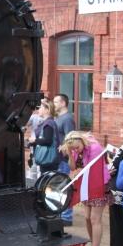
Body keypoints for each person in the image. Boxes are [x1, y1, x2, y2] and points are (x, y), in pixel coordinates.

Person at [60, 131, 111, 246]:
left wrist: (78, 170)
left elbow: (90, 169)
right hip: (86, 185)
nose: (76, 150)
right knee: (87, 217)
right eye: (73, 148)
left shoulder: (94, 148)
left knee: (95, 218)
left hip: (98, 183)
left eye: (77, 147)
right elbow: (72, 167)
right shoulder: (76, 149)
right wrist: (71, 153)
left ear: (81, 141)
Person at [52, 94, 76, 224]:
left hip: (64, 159)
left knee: (64, 186)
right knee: (58, 186)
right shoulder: (58, 118)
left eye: (56, 102)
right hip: (58, 158)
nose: (54, 105)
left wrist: (65, 146)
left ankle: (67, 217)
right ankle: (61, 214)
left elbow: (70, 138)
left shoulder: (67, 119)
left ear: (63, 103)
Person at [27, 99, 60, 174]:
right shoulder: (48, 122)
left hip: (48, 159)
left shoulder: (48, 123)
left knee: (47, 182)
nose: (38, 109)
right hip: (46, 159)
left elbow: (48, 141)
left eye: (41, 107)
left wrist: (34, 140)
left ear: (47, 110)